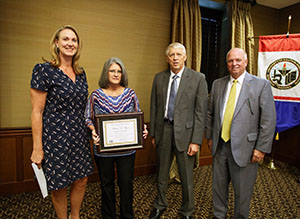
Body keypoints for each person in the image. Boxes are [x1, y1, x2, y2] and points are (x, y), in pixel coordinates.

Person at [30, 25, 94, 219]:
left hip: (79, 136)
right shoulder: (43, 70)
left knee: (81, 179)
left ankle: (75, 216)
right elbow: (36, 112)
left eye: (74, 40)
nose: (70, 43)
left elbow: (85, 107)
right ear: (56, 43)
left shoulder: (81, 74)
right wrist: (37, 148)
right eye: (65, 39)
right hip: (55, 137)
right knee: (59, 184)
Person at [205, 48, 276, 219]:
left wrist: (261, 148)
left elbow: (268, 120)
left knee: (243, 190)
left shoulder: (261, 85)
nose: (234, 64)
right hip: (220, 145)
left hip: (247, 147)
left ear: (245, 62)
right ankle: (219, 214)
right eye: (230, 61)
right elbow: (210, 113)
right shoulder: (218, 84)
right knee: (219, 186)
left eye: (238, 60)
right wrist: (209, 137)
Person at [149, 42, 208, 219]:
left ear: (185, 57)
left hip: (186, 134)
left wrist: (196, 141)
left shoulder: (198, 78)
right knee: (162, 173)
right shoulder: (159, 78)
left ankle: (187, 210)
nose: (175, 58)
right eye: (172, 55)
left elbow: (200, 112)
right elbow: (154, 107)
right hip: (164, 130)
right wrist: (153, 134)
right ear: (167, 58)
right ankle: (160, 204)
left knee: (186, 175)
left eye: (178, 55)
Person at [85, 57, 148, 219]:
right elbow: (87, 118)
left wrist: (143, 129)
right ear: (106, 73)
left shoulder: (130, 94)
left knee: (126, 183)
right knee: (106, 184)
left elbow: (138, 117)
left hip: (127, 150)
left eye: (119, 71)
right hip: (103, 150)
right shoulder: (96, 95)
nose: (116, 74)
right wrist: (93, 130)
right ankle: (108, 215)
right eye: (112, 70)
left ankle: (127, 215)